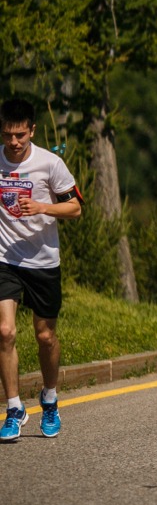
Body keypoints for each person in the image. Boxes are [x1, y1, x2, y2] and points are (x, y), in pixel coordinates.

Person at [0, 99, 82, 442]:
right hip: (5, 259)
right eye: (8, 135)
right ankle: (14, 409)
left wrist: (42, 207)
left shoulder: (51, 163)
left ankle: (49, 399)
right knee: (4, 331)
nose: (15, 142)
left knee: (45, 337)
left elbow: (76, 208)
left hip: (44, 262)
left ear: (32, 130)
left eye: (20, 135)